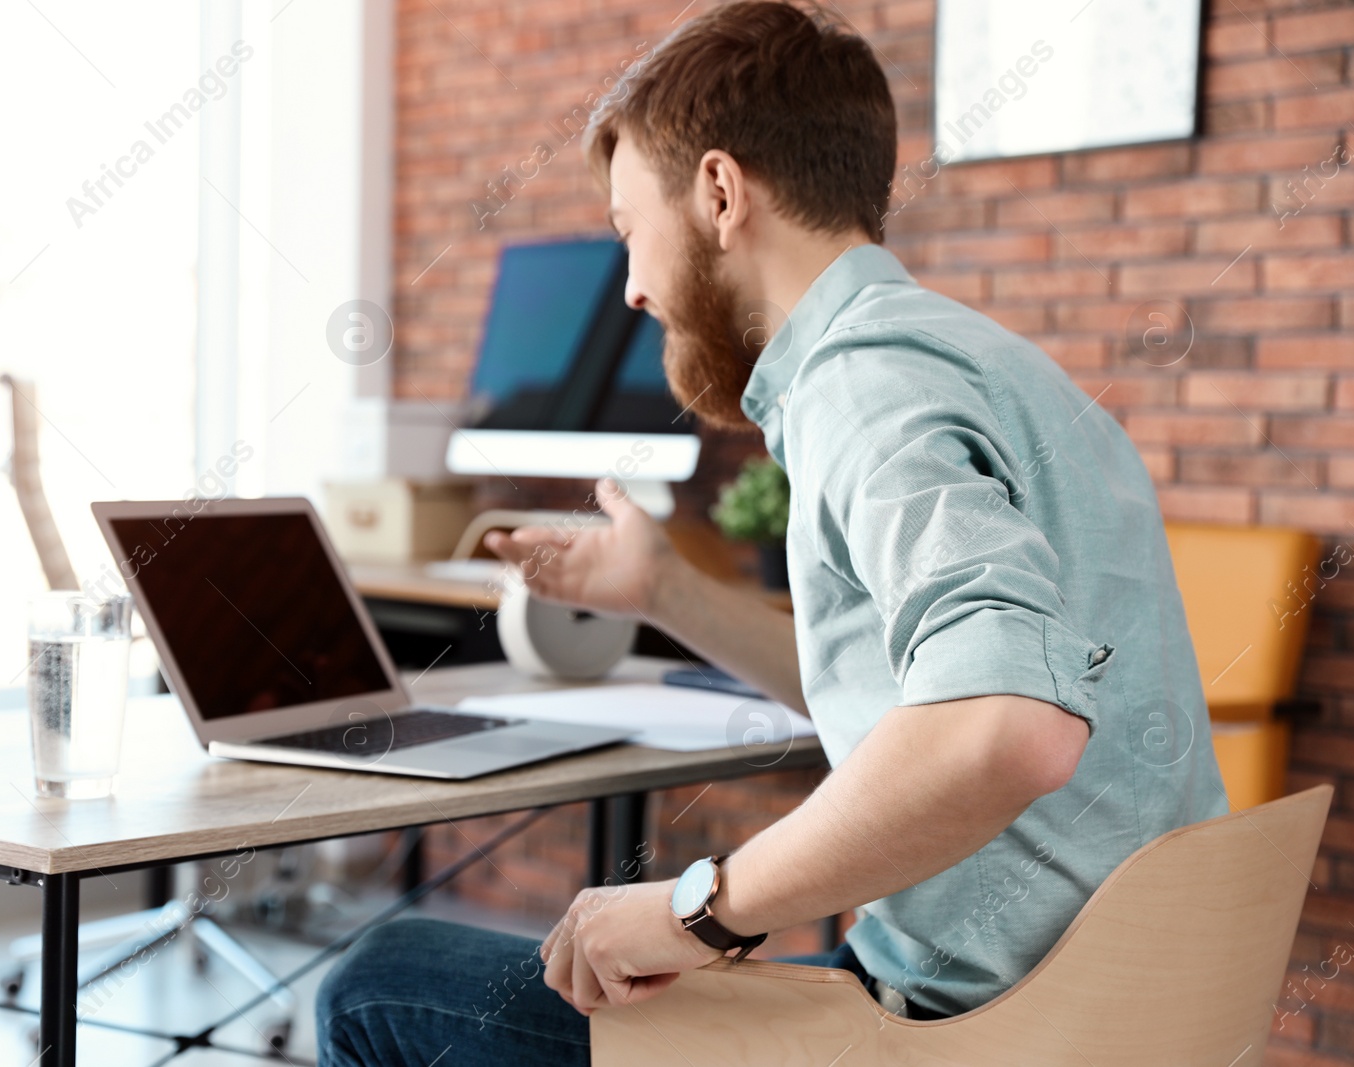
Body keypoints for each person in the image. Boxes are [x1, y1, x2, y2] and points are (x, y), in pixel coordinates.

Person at [317, 2, 1227, 1063]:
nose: (633, 287)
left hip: (972, 1027)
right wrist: (666, 590)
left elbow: (1006, 724)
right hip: (1137, 998)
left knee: (379, 982)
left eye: (627, 229)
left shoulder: (861, 387)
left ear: (717, 192)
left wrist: (700, 907)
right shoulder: (991, 365)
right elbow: (926, 693)